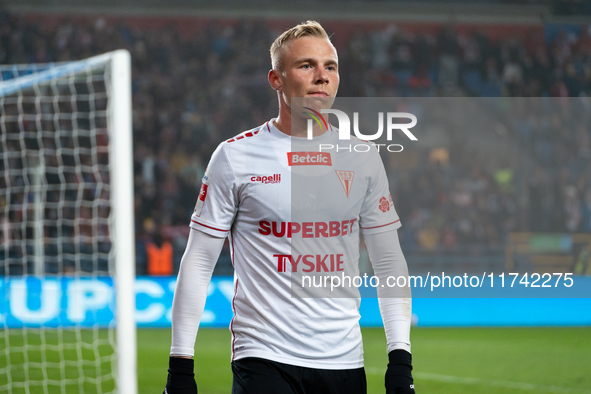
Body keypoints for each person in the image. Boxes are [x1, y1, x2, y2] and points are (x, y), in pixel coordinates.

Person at [163, 20, 415, 394]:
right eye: (306, 65)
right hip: (263, 357)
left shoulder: (362, 157)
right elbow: (200, 259)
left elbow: (388, 259)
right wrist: (180, 365)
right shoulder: (235, 157)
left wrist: (400, 360)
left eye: (330, 66)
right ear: (276, 79)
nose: (322, 76)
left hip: (345, 360)